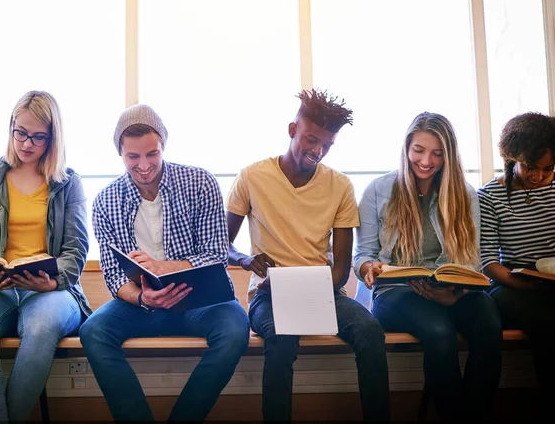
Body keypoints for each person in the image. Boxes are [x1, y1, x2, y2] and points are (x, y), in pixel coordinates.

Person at [226, 89, 390, 422]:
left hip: (324, 294)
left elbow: (342, 270)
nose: (317, 151)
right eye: (311, 140)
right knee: (282, 337)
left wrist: (308, 290)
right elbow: (221, 245)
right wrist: (245, 260)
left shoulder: (340, 186)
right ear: (292, 130)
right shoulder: (252, 176)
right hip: (267, 295)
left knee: (370, 331)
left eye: (326, 146)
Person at [79, 104, 250, 422]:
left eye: (152, 154)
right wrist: (143, 297)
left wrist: (162, 267)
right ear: (121, 153)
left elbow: (215, 253)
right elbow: (114, 274)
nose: (143, 166)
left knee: (235, 330)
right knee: (93, 332)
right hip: (142, 305)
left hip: (202, 302)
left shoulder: (200, 183)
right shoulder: (105, 201)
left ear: (163, 147)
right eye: (133, 157)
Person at [354, 111, 502, 421]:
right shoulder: (378, 190)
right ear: (407, 148)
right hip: (396, 292)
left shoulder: (464, 194)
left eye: (437, 153)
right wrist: (368, 269)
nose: (426, 160)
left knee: (488, 323)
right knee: (439, 330)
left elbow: (472, 259)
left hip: (451, 289)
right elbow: (364, 254)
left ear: (448, 155)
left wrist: (455, 293)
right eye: (419, 150)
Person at [0, 90, 91, 422]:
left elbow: (76, 251)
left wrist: (52, 281)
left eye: (38, 137)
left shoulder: (68, 183)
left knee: (42, 325)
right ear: (11, 127)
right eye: (21, 132)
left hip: (53, 290)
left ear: (52, 138)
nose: (26, 143)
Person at [478, 111, 555, 414]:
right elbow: (487, 261)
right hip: (509, 285)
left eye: (548, 169)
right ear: (512, 158)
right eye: (531, 167)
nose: (539, 176)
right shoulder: (491, 195)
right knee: (549, 323)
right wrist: (518, 281)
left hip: (550, 283)